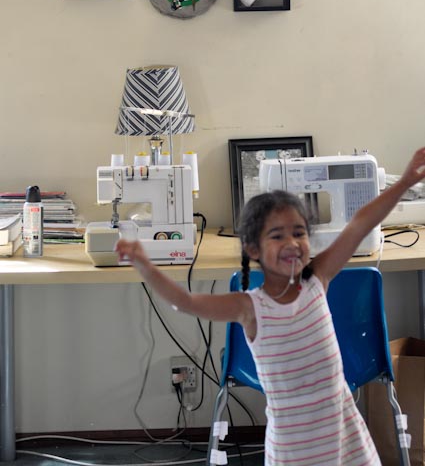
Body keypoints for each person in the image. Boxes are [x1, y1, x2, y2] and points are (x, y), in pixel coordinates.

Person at [116, 147, 425, 466]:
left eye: (299, 233)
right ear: (253, 248)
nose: (291, 243)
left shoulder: (317, 280)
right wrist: (145, 265)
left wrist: (404, 182)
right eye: (277, 236)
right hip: (293, 451)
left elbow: (361, 223)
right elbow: (186, 302)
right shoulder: (250, 308)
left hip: (346, 442)